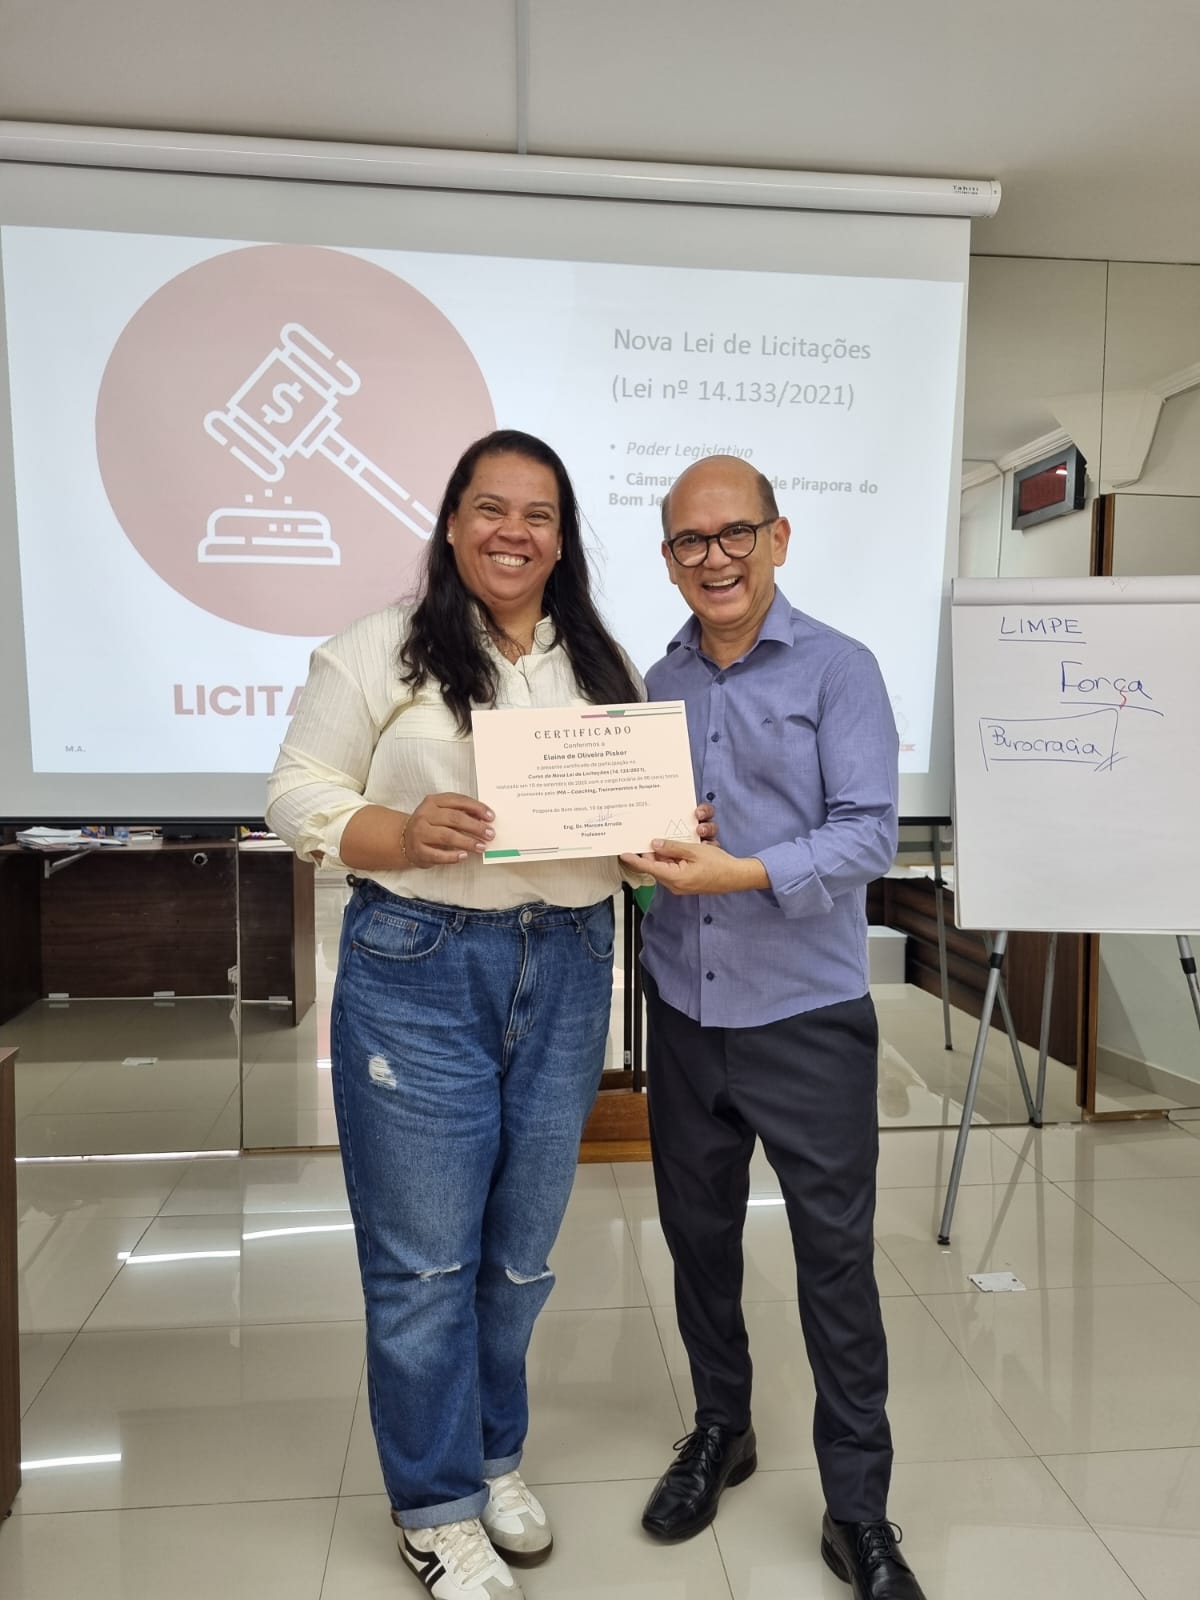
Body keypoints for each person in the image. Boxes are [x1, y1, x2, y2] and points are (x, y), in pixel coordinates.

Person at [267, 429, 711, 1600]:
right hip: (418, 965)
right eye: (490, 507)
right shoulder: (379, 647)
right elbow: (297, 791)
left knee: (517, 1257)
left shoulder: (599, 661)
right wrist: (402, 832)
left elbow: (627, 834)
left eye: (539, 514)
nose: (514, 531)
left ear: (562, 540)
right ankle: (436, 1504)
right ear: (454, 522)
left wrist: (659, 836)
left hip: (566, 965)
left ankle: (492, 1455)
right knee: (424, 1263)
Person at [620, 455, 927, 1600]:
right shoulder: (656, 682)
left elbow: (867, 835)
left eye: (734, 533)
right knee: (698, 1240)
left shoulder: (841, 668)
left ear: (778, 537)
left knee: (833, 1263)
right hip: (684, 1012)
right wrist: (636, 858)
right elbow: (652, 857)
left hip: (806, 1017)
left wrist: (737, 869)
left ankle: (859, 1509)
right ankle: (723, 1426)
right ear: (669, 559)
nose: (716, 558)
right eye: (690, 541)